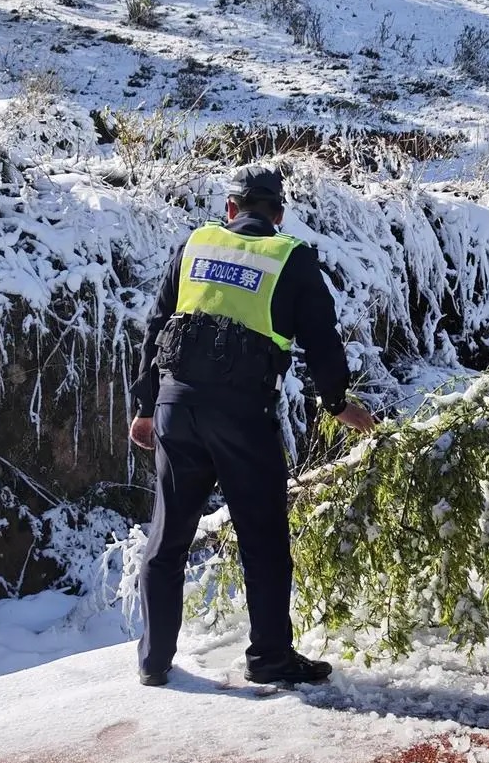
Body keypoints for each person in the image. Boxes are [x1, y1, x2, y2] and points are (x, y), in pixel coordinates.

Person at [128, 165, 375, 687]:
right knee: (262, 538)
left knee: (167, 537)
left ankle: (153, 663)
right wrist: (336, 404)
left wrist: (145, 405)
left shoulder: (195, 244)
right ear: (278, 214)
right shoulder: (292, 258)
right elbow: (324, 343)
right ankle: (268, 657)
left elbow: (157, 325)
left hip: (176, 406)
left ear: (231, 209)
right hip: (242, 415)